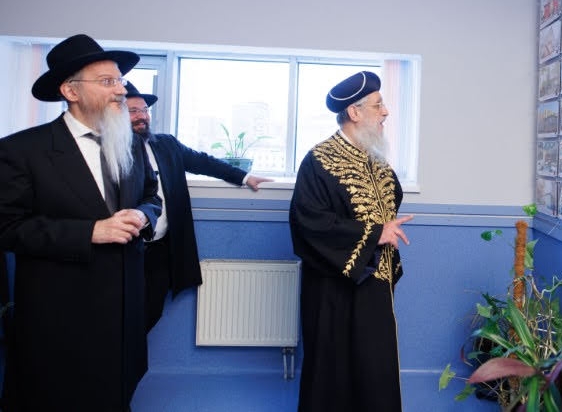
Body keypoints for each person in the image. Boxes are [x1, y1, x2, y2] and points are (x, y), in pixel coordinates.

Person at [0, 34, 162, 411]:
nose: (121, 90)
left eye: (120, 80)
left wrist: (143, 214)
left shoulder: (130, 142)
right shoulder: (22, 150)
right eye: (107, 81)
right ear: (70, 91)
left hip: (123, 315)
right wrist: (91, 232)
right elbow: (7, 228)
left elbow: (151, 196)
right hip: (61, 316)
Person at [289, 70, 413, 412]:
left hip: (376, 285)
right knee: (334, 373)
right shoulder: (319, 160)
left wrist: (384, 229)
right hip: (334, 292)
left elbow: (389, 199)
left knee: (375, 366)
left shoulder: (376, 159)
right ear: (354, 112)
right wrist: (375, 233)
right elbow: (308, 222)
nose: (386, 112)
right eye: (378, 105)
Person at [125, 82, 272, 332]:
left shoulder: (166, 144)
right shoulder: (107, 150)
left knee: (150, 312)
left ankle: (131, 358)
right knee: (119, 317)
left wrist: (245, 177)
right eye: (133, 111)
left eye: (145, 110)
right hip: (127, 251)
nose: (142, 116)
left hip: (160, 249)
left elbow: (203, 162)